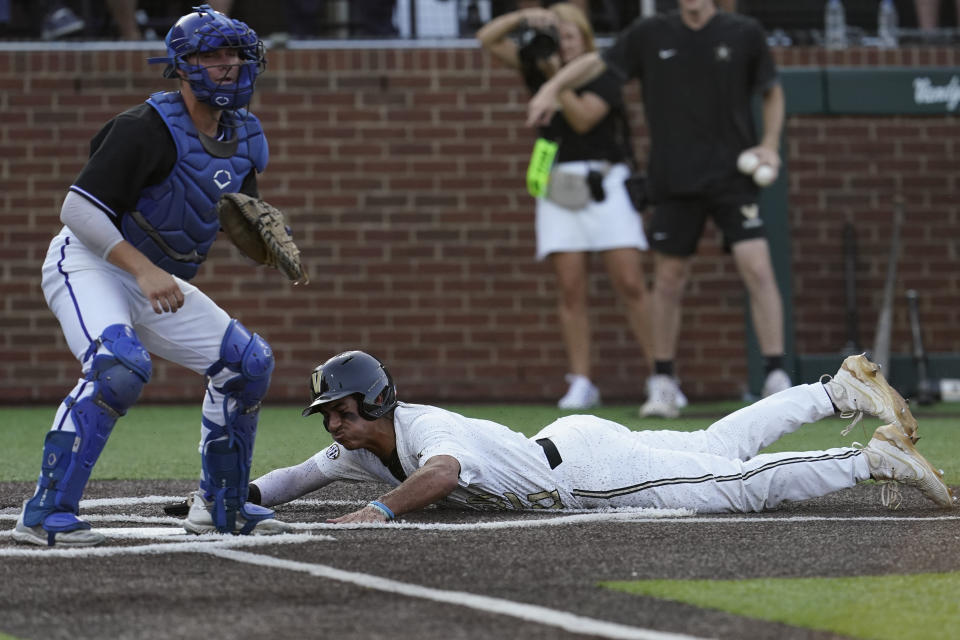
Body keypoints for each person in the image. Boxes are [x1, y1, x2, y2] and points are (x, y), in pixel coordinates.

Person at [12, 4, 290, 547]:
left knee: (247, 363)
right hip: (90, 262)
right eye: (211, 55)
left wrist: (265, 242)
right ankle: (45, 512)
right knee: (118, 367)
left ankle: (220, 507)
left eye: (234, 54)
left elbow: (233, 217)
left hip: (150, 277)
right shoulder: (144, 127)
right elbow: (77, 209)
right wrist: (140, 270)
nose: (227, 65)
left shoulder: (246, 139)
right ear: (182, 66)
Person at [247, 351, 952, 523]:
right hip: (572, 446)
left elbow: (440, 474)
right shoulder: (356, 448)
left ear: (374, 400)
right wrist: (233, 495)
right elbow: (294, 479)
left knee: (736, 487)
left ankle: (868, 459)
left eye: (340, 411)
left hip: (588, 476)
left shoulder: (422, 426)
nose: (334, 425)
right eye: (328, 415)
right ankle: (834, 391)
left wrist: (375, 513)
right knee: (715, 448)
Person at [527, 0, 789, 418]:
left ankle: (776, 376)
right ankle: (663, 380)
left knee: (757, 267)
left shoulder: (744, 32)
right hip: (674, 178)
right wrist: (548, 87)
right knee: (667, 279)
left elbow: (772, 91)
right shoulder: (650, 33)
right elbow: (595, 62)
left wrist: (770, 147)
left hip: (732, 177)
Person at [477, 3, 654, 410]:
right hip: (558, 185)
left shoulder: (602, 70)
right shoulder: (539, 64)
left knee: (630, 282)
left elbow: (582, 119)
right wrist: (528, 18)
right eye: (558, 35)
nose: (564, 42)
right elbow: (487, 39)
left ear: (585, 38)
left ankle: (658, 373)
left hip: (604, 182)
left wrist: (553, 82)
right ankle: (581, 380)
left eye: (570, 35)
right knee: (570, 288)